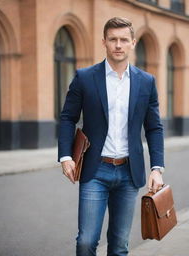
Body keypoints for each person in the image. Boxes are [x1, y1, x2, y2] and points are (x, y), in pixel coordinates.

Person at [58, 17, 164, 256]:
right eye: (113, 39)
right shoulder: (85, 78)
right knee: (86, 242)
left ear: (133, 43)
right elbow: (67, 118)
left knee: (120, 245)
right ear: (104, 42)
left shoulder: (146, 82)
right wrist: (65, 156)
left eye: (123, 40)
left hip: (129, 172)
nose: (118, 45)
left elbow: (154, 128)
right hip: (95, 170)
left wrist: (157, 167)